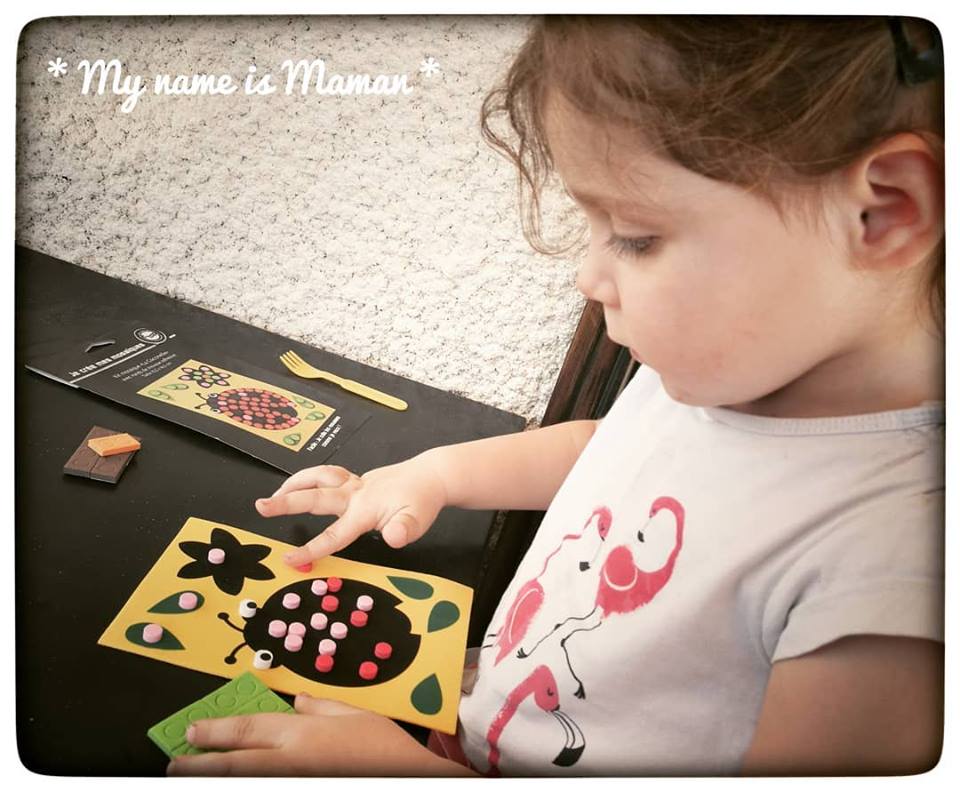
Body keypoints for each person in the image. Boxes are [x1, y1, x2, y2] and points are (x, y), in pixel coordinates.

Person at [167, 15, 944, 777]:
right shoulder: (726, 367)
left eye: (635, 235)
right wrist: (435, 474)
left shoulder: (892, 588)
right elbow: (612, 452)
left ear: (884, 212)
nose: (588, 276)